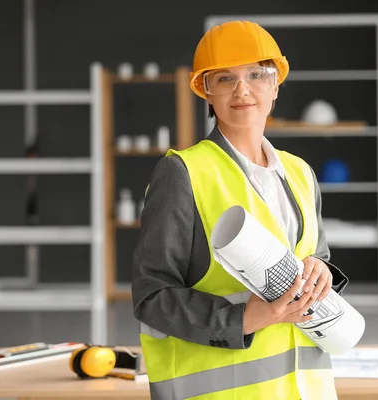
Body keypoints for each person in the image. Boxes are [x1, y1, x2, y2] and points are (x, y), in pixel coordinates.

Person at [132, 20, 349, 400]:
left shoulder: (300, 172)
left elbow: (317, 255)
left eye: (256, 75)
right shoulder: (183, 173)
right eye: (225, 79)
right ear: (206, 91)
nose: (242, 90)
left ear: (275, 85)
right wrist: (245, 319)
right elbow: (152, 296)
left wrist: (320, 268)